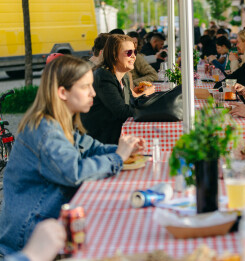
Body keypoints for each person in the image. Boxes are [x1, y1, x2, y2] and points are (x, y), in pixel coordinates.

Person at [0, 55, 143, 256]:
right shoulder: (45, 130)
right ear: (63, 92)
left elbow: (92, 148)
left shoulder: (59, 122)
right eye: (85, 87)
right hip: (31, 239)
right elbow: (73, 172)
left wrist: (124, 149)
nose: (93, 93)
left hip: (48, 224)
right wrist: (118, 157)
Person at [81, 34, 136, 144]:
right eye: (129, 53)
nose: (133, 56)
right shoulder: (104, 76)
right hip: (99, 141)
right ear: (114, 55)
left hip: (114, 134)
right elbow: (121, 111)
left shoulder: (123, 76)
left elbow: (131, 103)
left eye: (135, 52)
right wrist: (151, 112)